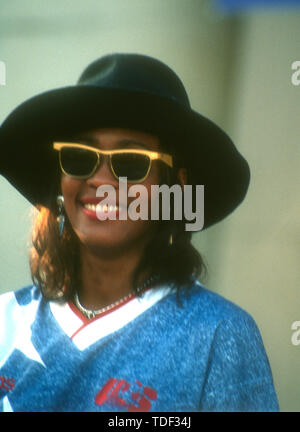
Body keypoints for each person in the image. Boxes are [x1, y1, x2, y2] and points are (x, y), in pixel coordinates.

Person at [0, 53, 279, 412]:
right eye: (79, 157)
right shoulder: (5, 322)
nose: (100, 180)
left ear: (175, 190)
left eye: (131, 162)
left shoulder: (216, 335)